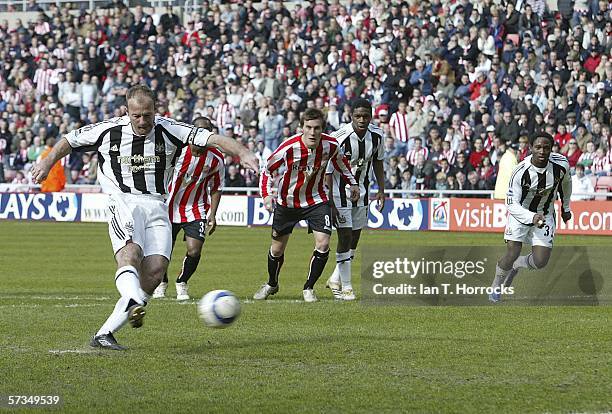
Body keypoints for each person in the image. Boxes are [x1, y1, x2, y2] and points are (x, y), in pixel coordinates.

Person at [31, 85, 258, 350]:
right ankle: (134, 300)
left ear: (155, 111)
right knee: (129, 254)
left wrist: (242, 153)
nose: (142, 121)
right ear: (126, 111)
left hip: (158, 204)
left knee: (155, 270)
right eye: (136, 115)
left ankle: (105, 334)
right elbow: (69, 141)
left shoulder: (170, 129)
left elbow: (212, 139)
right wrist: (47, 163)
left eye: (147, 115)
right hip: (124, 200)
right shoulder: (108, 130)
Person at [253, 108, 359, 302]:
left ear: (322, 129)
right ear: (302, 127)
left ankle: (309, 287)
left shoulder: (331, 145)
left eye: (317, 128)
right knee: (277, 250)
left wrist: (353, 183)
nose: (312, 132)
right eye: (308, 127)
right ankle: (271, 283)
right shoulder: (289, 147)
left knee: (324, 243)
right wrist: (267, 195)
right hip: (288, 202)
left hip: (317, 200)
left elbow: (342, 163)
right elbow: (266, 170)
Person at [490, 132, 572, 302]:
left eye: (546, 148)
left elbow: (566, 185)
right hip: (520, 214)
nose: (542, 151)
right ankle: (496, 285)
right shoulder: (520, 171)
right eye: (538, 147)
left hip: (546, 214)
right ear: (530, 149)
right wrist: (532, 216)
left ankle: (518, 264)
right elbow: (511, 203)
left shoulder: (561, 165)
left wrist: (566, 207)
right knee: (512, 251)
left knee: (541, 261)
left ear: (551, 149)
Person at [153, 117, 225, 301]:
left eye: (208, 131)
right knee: (163, 249)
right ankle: (161, 282)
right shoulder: (177, 151)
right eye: (201, 131)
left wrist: (213, 214)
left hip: (196, 208)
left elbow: (216, 187)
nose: (204, 135)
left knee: (195, 250)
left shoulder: (216, 159)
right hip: (168, 206)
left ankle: (182, 282)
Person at [325, 99, 385, 300]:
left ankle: (335, 278)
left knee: (354, 239)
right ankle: (347, 286)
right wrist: (330, 201)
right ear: (351, 115)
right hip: (339, 193)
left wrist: (382, 190)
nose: (361, 120)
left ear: (371, 116)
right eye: (357, 116)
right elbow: (328, 170)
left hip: (364, 193)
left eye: (365, 116)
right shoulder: (339, 137)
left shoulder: (377, 136)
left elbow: (378, 162)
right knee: (344, 236)